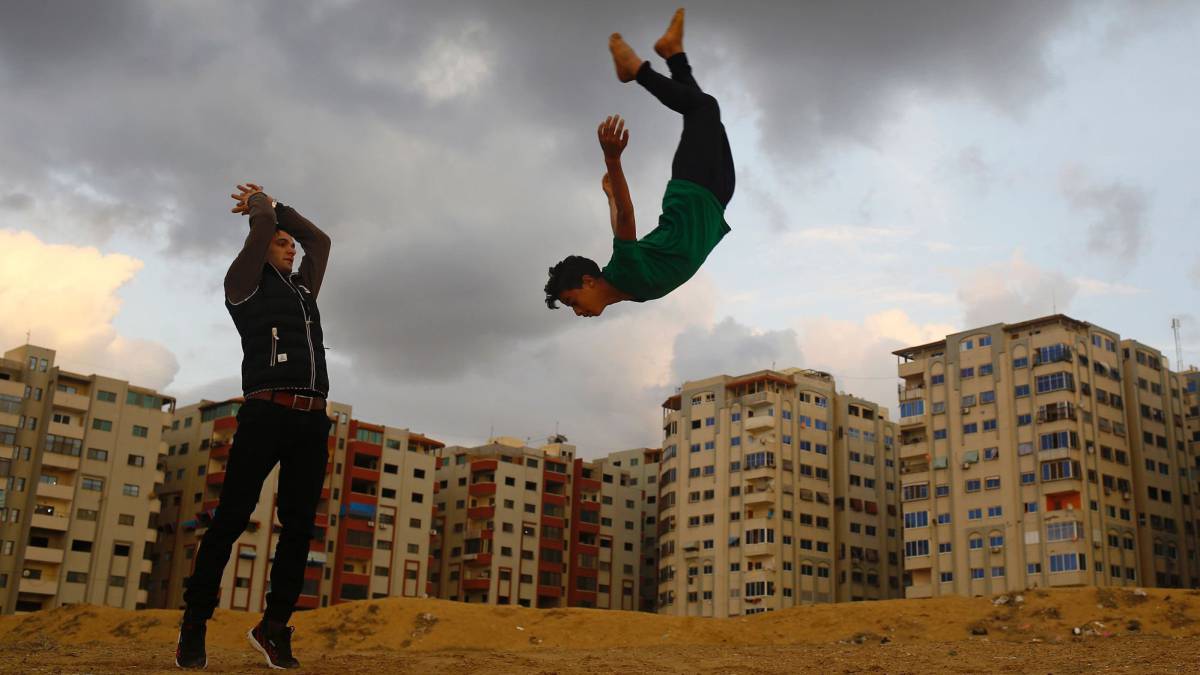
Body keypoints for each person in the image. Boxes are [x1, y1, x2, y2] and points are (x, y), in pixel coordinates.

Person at [175, 183, 332, 670]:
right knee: (231, 520)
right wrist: (261, 209)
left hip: (311, 419)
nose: (291, 248)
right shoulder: (243, 284)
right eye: (282, 243)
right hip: (265, 412)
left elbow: (320, 242)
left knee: (300, 527)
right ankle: (195, 622)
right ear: (260, 248)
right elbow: (261, 230)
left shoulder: (303, 288)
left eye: (290, 243)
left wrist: (280, 208)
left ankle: (273, 627)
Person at [545, 8, 735, 317]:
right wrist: (610, 199)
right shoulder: (625, 283)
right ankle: (673, 53)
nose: (577, 312)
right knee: (702, 114)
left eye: (573, 302)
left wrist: (612, 160)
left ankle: (636, 69)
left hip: (692, 194)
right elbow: (621, 226)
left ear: (588, 282)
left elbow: (626, 220)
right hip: (716, 201)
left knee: (705, 109)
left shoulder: (623, 272)